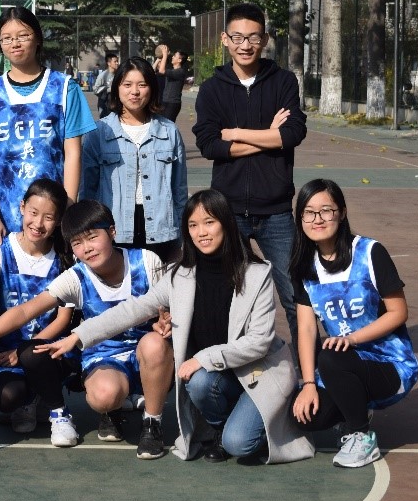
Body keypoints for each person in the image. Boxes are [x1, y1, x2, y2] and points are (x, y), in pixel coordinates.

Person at [39, 189, 313, 464]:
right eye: (193, 225)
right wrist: (78, 336)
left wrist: (202, 359)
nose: (201, 232)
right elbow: (132, 309)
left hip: (258, 373)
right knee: (199, 383)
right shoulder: (179, 275)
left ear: (226, 224)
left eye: (209, 222)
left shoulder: (257, 273)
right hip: (219, 377)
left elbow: (259, 342)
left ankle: (267, 418)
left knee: (239, 444)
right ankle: (220, 428)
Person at [0, 200, 163, 448]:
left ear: (112, 231)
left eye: (92, 237)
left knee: (155, 344)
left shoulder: (147, 262)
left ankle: (152, 423)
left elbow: (170, 307)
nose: (87, 248)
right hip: (105, 356)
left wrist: (166, 321)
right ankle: (111, 409)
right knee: (104, 395)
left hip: (146, 353)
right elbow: (24, 311)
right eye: (77, 243)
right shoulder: (76, 277)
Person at [192, 2, 305, 340]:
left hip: (277, 212)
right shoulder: (212, 89)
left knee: (296, 296)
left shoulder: (283, 82)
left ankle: (309, 366)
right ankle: (227, 363)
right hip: (227, 211)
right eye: (238, 37)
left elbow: (292, 134)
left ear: (265, 39)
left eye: (253, 37)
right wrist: (269, 136)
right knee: (227, 296)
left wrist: (237, 133)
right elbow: (210, 145)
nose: (245, 45)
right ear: (225, 39)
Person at [290, 179, 418, 468]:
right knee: (304, 417)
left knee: (330, 356)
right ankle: (357, 407)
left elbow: (398, 312)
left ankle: (360, 434)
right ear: (300, 219)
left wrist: (353, 339)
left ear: (342, 212)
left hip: (389, 364)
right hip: (342, 363)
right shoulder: (305, 266)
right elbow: (306, 329)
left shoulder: (370, 253)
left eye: (326, 210)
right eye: (309, 212)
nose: (318, 219)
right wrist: (308, 384)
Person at [0, 7, 95, 241]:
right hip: (6, 220)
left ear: (37, 38)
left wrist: (67, 210)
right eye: (6, 38)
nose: (15, 43)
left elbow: (73, 154)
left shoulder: (64, 88)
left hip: (52, 219)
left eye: (23, 36)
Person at [0, 179, 74, 434]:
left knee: (35, 358)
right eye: (33, 213)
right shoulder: (0, 249)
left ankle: (53, 402)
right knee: (6, 398)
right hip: (5, 348)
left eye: (48, 217)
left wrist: (23, 351)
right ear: (22, 207)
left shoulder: (66, 256)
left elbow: (62, 320)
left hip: (48, 348)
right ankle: (31, 397)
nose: (38, 224)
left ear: (58, 221)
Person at [82, 56, 187, 264]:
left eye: (142, 85)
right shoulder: (99, 132)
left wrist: (182, 236)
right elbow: (88, 190)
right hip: (114, 229)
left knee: (159, 283)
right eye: (127, 84)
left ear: (152, 89)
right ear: (117, 88)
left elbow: (179, 190)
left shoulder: (169, 131)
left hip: (161, 230)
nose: (135, 92)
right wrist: (89, 232)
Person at [153, 46, 192, 123]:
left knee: (168, 125)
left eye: (175, 56)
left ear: (179, 60)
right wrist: (159, 59)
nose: (172, 57)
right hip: (164, 101)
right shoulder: (171, 69)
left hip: (172, 103)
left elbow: (161, 71)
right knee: (160, 124)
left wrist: (164, 54)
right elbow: (153, 70)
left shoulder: (180, 72)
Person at [92, 51, 119, 117]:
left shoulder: (118, 74)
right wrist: (109, 89)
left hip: (116, 104)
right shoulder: (103, 75)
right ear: (109, 63)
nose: (117, 63)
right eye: (115, 61)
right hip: (104, 104)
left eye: (117, 61)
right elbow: (95, 90)